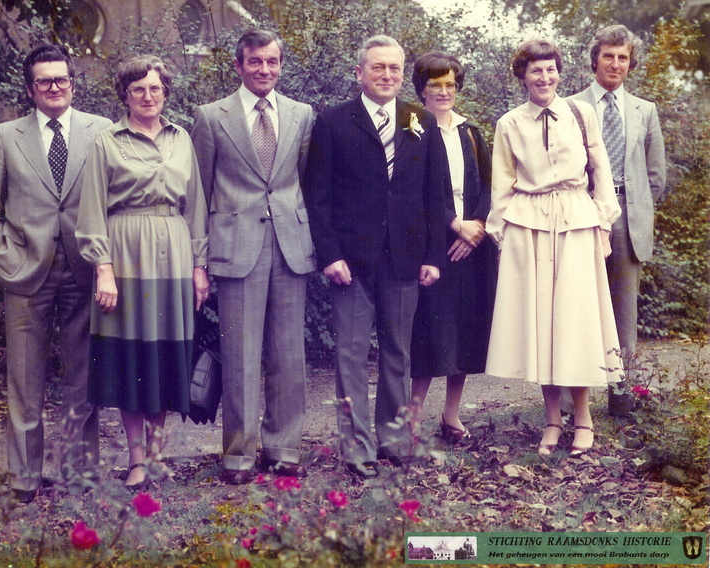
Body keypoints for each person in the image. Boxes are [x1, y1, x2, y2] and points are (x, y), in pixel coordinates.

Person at [303, 35, 448, 478]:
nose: (387, 75)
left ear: (403, 74)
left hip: (404, 257)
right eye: (378, 67)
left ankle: (394, 440)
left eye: (394, 68)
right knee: (349, 355)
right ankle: (357, 448)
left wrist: (433, 256)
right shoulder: (333, 121)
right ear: (359, 72)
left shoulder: (420, 120)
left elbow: (436, 195)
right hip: (351, 261)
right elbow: (317, 196)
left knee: (398, 352)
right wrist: (330, 255)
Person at [0, 44, 111, 503]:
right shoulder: (7, 136)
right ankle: (24, 478)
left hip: (84, 269)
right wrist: (5, 256)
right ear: (31, 89)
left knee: (82, 378)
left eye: (62, 79)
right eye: (44, 81)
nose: (55, 87)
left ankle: (80, 473)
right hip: (26, 272)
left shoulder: (101, 131)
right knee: (24, 381)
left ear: (73, 82)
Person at [485, 39, 624, 458]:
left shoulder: (581, 114)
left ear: (559, 73)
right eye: (536, 71)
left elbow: (600, 169)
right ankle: (552, 420)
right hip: (529, 225)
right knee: (542, 322)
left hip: (577, 219)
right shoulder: (510, 123)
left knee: (575, 321)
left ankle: (583, 418)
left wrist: (603, 223)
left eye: (550, 69)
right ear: (523, 76)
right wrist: (501, 235)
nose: (544, 78)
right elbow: (502, 184)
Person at [76, 55, 209, 489]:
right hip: (126, 251)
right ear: (125, 94)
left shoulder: (181, 138)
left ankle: (156, 456)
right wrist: (103, 269)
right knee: (130, 356)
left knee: (164, 352)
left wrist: (199, 265)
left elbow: (196, 206)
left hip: (174, 251)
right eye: (138, 89)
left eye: (155, 88)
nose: (147, 96)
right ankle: (136, 460)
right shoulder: (106, 142)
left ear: (165, 93)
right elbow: (91, 210)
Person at [191, 30, 315, 485]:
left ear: (280, 65)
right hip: (235, 246)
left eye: (272, 61)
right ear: (239, 65)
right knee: (240, 355)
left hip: (290, 244)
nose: (265, 69)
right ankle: (239, 454)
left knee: (289, 354)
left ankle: (284, 448)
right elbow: (199, 193)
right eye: (256, 61)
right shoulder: (211, 117)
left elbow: (305, 181)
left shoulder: (301, 114)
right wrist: (199, 260)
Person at [570, 24, 666, 416]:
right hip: (582, 212)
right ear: (595, 60)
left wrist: (634, 205)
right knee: (577, 303)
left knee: (624, 309)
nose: (615, 63)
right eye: (608, 56)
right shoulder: (570, 106)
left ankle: (621, 394)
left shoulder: (645, 110)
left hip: (628, 215)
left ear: (631, 63)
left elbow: (655, 176)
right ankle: (572, 399)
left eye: (622, 57)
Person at [409, 52, 497, 442]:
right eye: (435, 85)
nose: (443, 92)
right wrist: (454, 224)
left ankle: (451, 414)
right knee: (429, 332)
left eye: (450, 85)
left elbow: (492, 184)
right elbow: (414, 188)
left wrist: (477, 225)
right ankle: (412, 419)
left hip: (472, 244)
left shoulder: (470, 132)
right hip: (433, 244)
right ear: (421, 89)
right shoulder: (411, 128)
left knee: (465, 330)